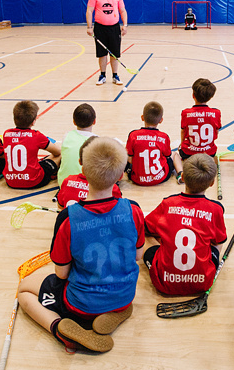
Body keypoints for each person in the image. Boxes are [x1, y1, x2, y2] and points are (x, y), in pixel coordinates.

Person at [16, 137, 144, 353]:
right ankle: (116, 311)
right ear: (120, 175)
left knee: (24, 290)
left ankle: (58, 329)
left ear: (82, 170)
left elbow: (61, 273)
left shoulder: (68, 218)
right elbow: (138, 256)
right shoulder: (134, 210)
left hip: (81, 304)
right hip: (124, 294)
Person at [144, 154, 227, 295]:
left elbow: (145, 227)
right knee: (217, 242)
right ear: (212, 183)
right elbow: (219, 240)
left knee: (146, 236)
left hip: (164, 283)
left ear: (182, 177)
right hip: (203, 282)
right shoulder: (215, 209)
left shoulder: (168, 203)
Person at [3, 100, 61, 189]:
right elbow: (57, 152)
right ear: (33, 122)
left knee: (40, 160)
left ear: (14, 119)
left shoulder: (6, 134)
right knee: (60, 155)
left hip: (10, 181)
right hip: (34, 181)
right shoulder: (36, 135)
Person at [173, 78, 222, 182]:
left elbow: (183, 131)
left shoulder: (186, 113)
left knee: (176, 155)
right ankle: (207, 163)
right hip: (208, 151)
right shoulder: (216, 113)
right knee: (212, 156)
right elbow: (216, 132)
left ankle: (181, 172)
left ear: (193, 95)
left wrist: (181, 143)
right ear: (210, 97)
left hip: (189, 152)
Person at [56, 137, 123, 210]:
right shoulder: (112, 188)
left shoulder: (67, 181)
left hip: (70, 217)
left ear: (80, 162)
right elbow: (118, 210)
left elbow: (60, 206)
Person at [86, 0, 128, 86]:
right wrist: (89, 27)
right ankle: (102, 75)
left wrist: (125, 25)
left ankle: (115, 76)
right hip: (100, 28)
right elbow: (89, 11)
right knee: (102, 53)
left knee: (114, 53)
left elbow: (123, 11)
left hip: (114, 28)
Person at [126, 101, 175, 186]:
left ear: (142, 117)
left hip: (137, 179)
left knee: (124, 154)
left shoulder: (133, 135)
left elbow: (129, 159)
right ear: (161, 120)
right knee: (174, 155)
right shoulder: (163, 137)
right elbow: (167, 155)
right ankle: (180, 174)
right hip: (160, 178)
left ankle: (117, 179)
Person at [58, 103, 96, 184]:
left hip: (63, 183)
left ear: (74, 122)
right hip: (86, 186)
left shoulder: (67, 135)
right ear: (94, 121)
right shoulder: (96, 140)